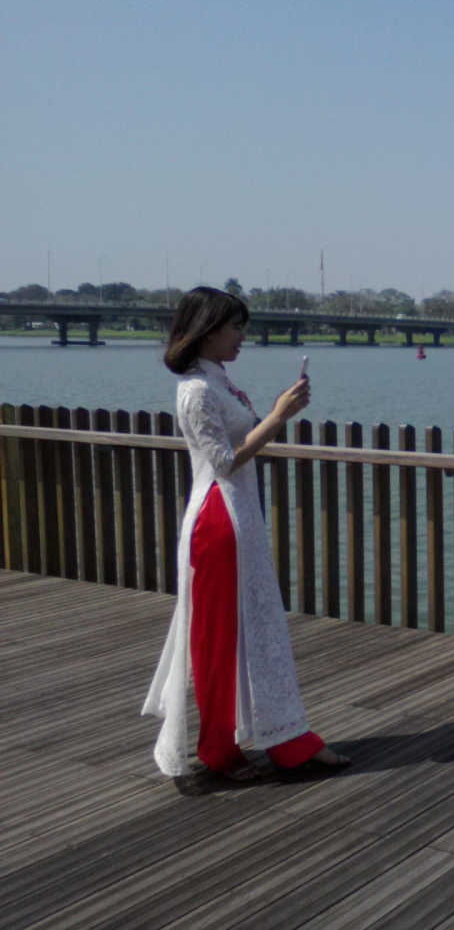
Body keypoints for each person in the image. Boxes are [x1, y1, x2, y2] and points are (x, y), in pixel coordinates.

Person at [143, 287, 349, 780]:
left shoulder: (220, 382)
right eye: (235, 327)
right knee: (218, 639)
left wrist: (277, 411)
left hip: (239, 516)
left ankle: (284, 739)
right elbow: (225, 462)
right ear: (206, 330)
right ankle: (221, 750)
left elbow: (245, 439)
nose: (242, 337)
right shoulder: (196, 390)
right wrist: (279, 416)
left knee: (258, 631)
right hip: (219, 520)